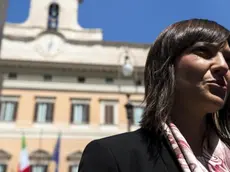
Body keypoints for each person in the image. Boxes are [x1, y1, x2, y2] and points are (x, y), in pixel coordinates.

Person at [78, 19, 230, 172]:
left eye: (229, 60)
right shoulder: (111, 156)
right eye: (203, 52)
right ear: (167, 66)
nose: (223, 66)